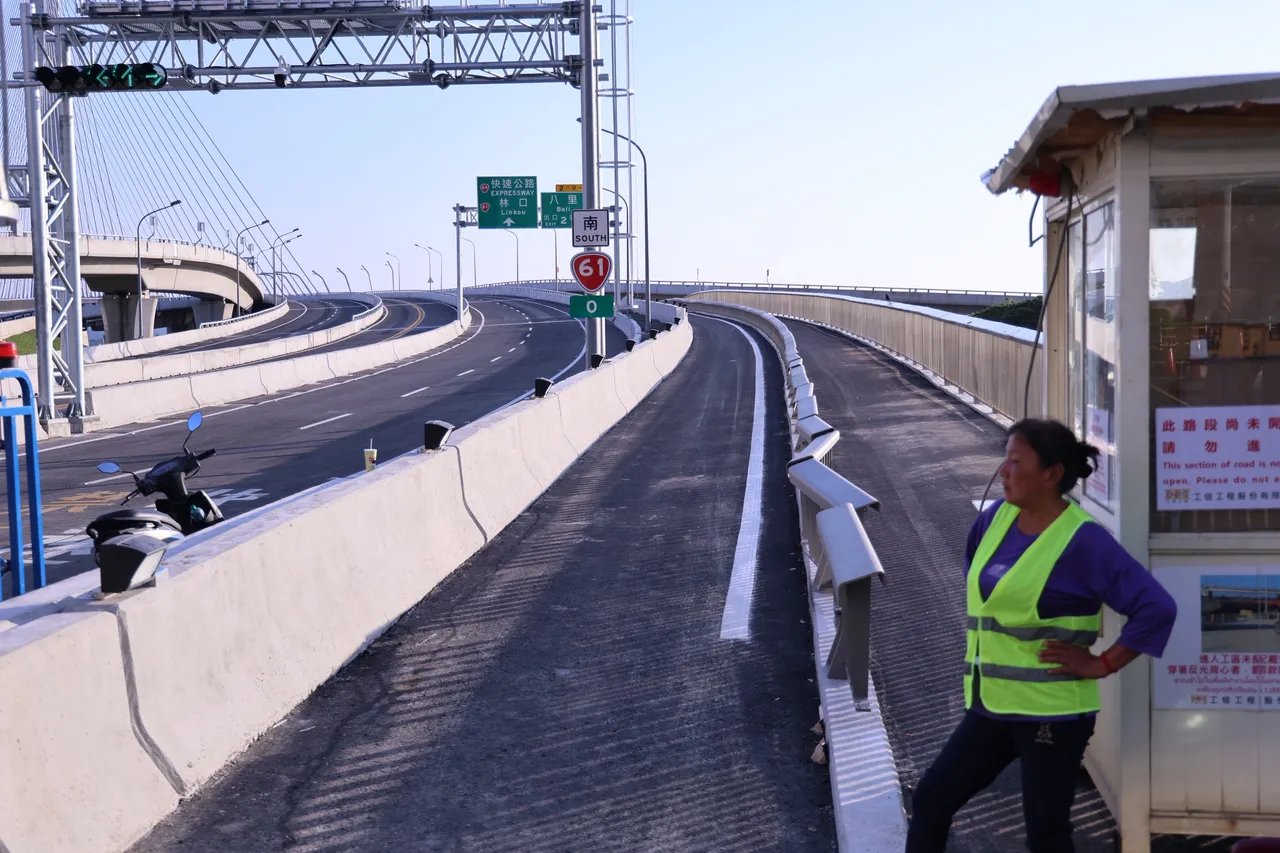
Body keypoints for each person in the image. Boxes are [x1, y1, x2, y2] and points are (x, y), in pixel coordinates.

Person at [905, 418, 1177, 853]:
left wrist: (1100, 663)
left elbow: (1156, 608)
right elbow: (983, 594)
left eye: (1016, 461)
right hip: (991, 705)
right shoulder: (992, 520)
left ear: (1051, 475)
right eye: (1005, 459)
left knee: (1046, 836)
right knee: (932, 799)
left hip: (1052, 715)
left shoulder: (1084, 541)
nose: (1004, 471)